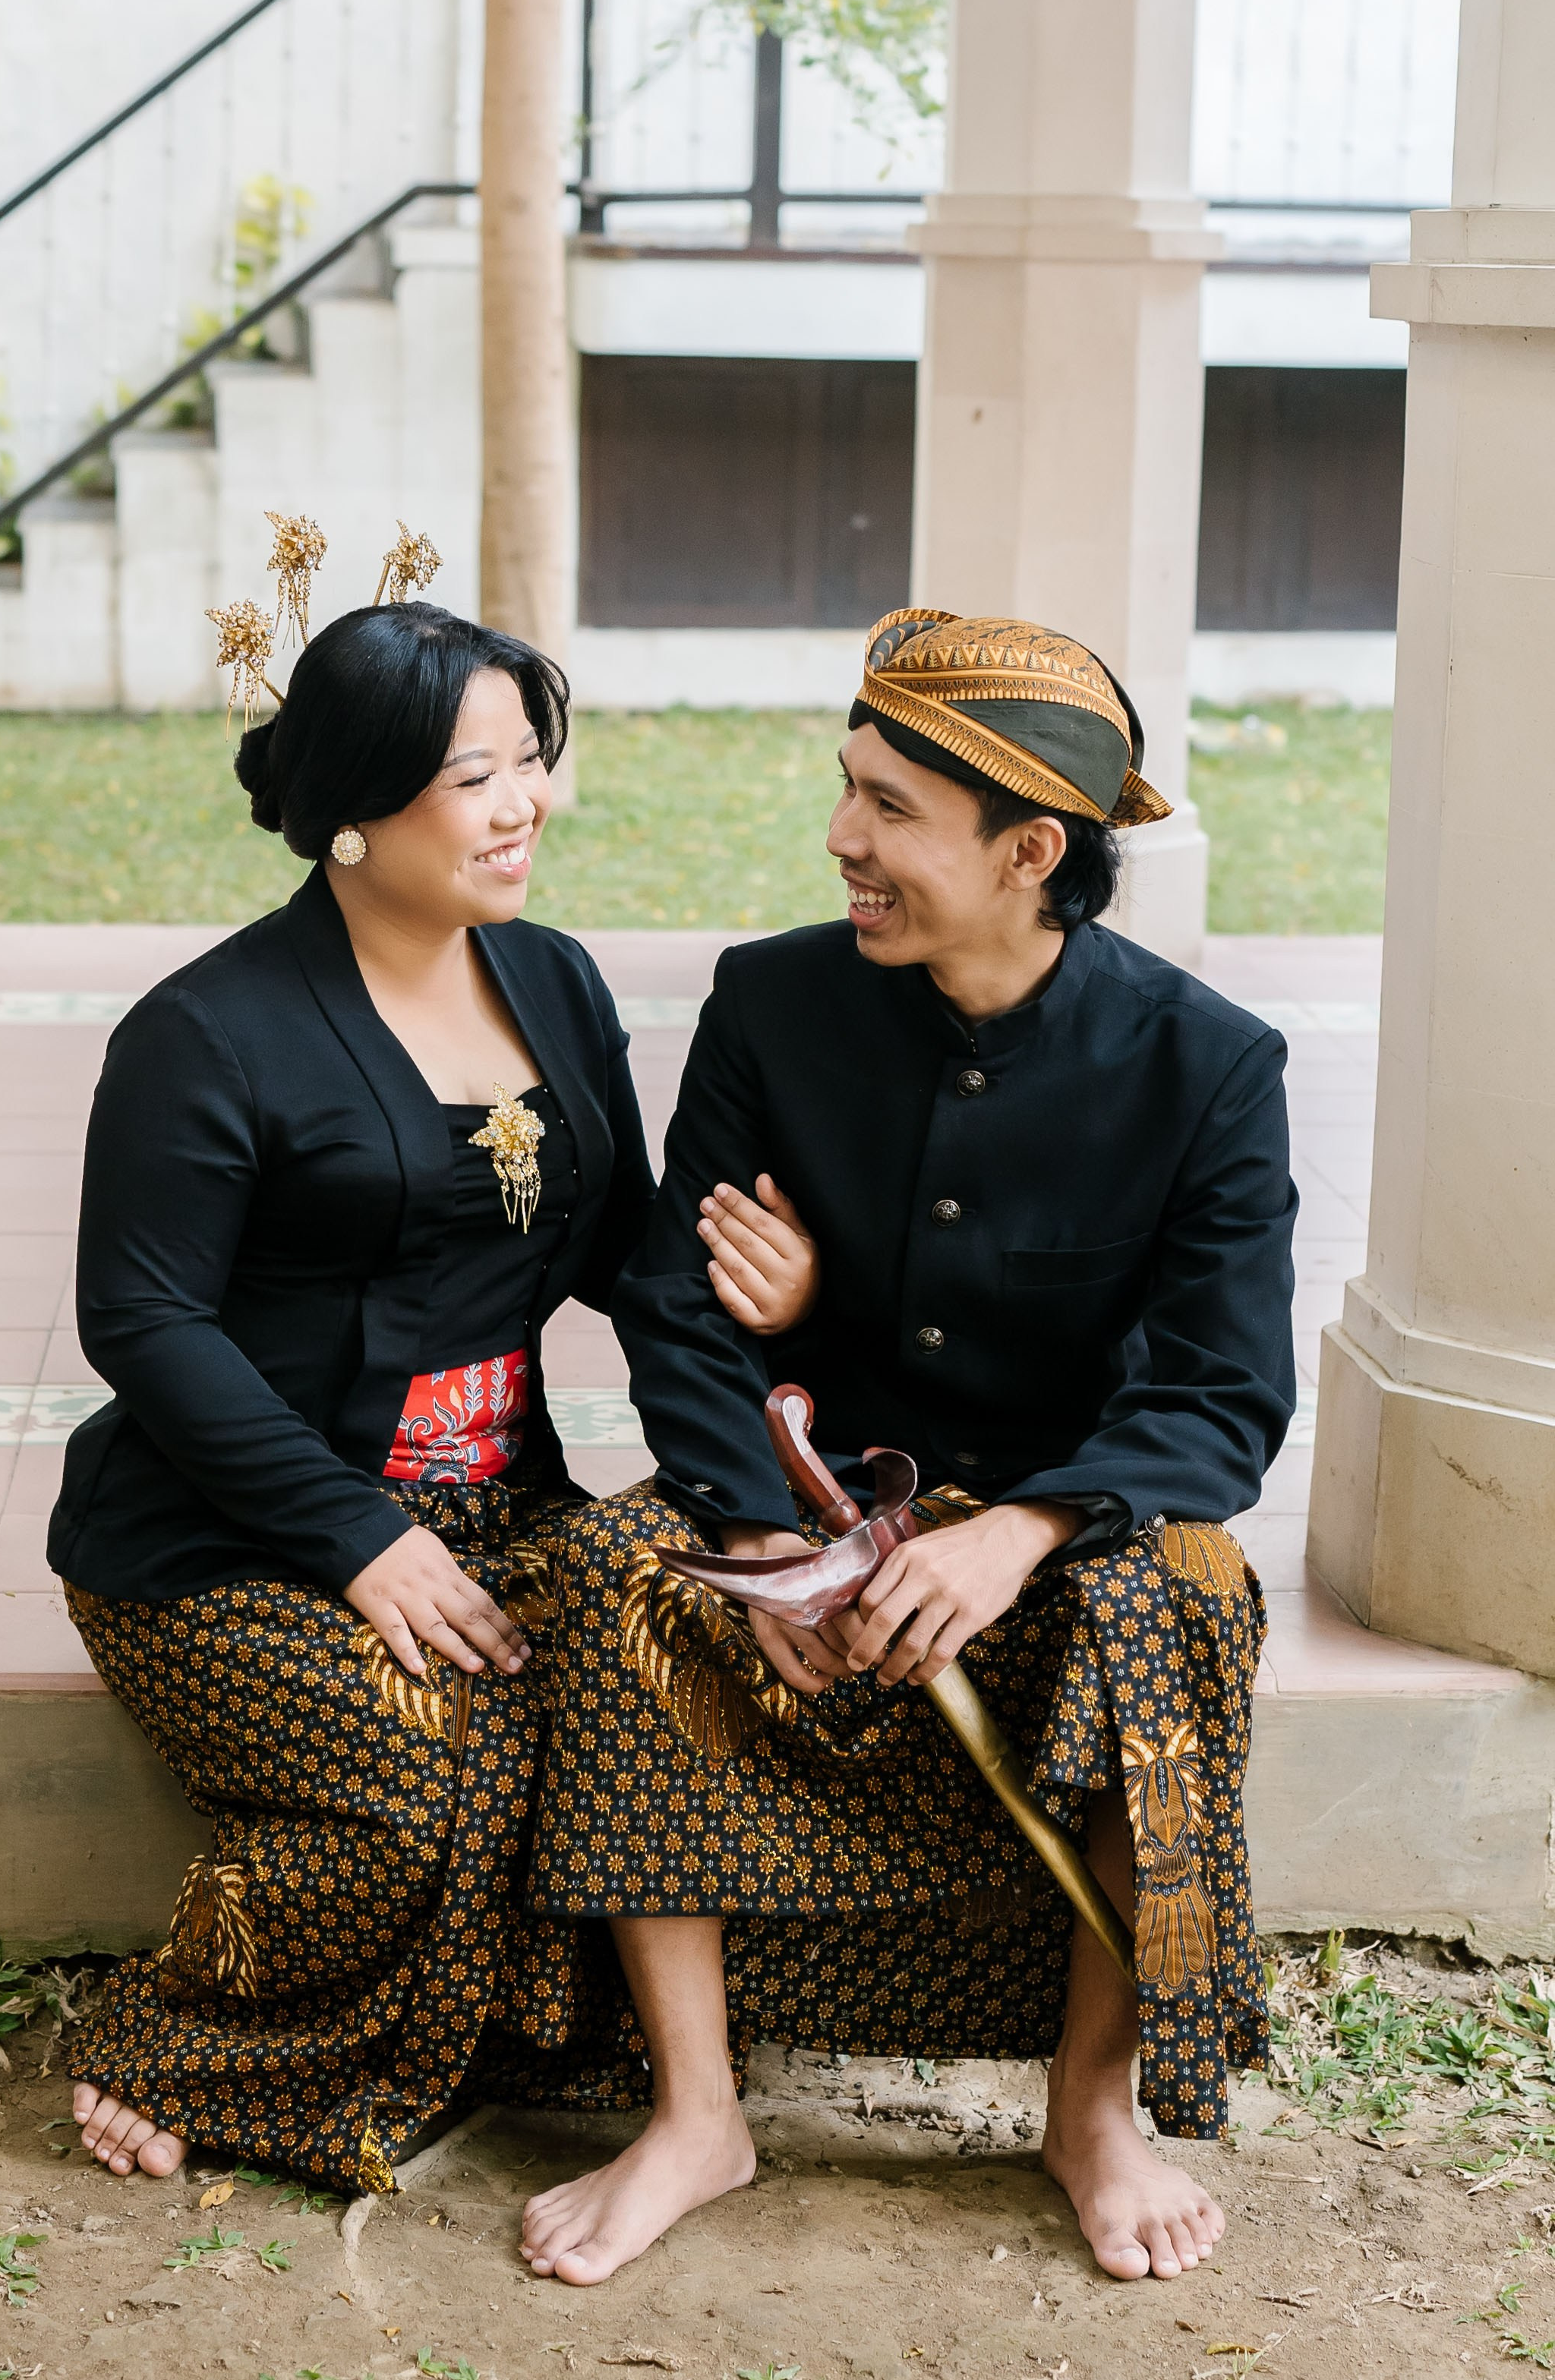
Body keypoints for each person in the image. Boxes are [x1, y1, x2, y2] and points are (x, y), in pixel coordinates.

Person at [520, 610, 1298, 2287]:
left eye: (885, 809)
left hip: (1063, 1524)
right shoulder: (772, 1002)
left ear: (1029, 850)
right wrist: (750, 1547)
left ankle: (1093, 2106)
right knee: (606, 1571)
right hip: (808, 1489)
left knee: (1178, 1602)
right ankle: (695, 2109)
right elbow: (676, 1301)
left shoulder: (1207, 1069)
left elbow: (1224, 1395)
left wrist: (1016, 1529)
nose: (839, 839)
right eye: (844, 789)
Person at [50, 585, 818, 2193]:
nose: (524, 800)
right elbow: (144, 1316)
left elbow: (620, 1243)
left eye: (530, 758)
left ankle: (511, 2043)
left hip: (496, 1505)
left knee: (624, 1686)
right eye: (476, 773)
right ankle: (176, 2036)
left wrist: (777, 1303)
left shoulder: (550, 979)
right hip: (232, 1528)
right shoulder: (206, 1033)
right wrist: (354, 1535)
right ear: (352, 808)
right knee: (427, 1766)